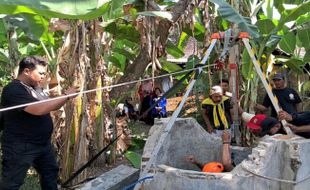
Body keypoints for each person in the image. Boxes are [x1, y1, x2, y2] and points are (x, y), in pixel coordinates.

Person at [0, 56, 78, 190]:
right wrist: (66, 95)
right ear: (26, 71)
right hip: (20, 146)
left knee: (50, 173)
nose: (44, 76)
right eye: (41, 73)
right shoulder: (13, 90)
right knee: (11, 183)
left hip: (42, 144)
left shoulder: (36, 88)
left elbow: (47, 104)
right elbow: (39, 109)